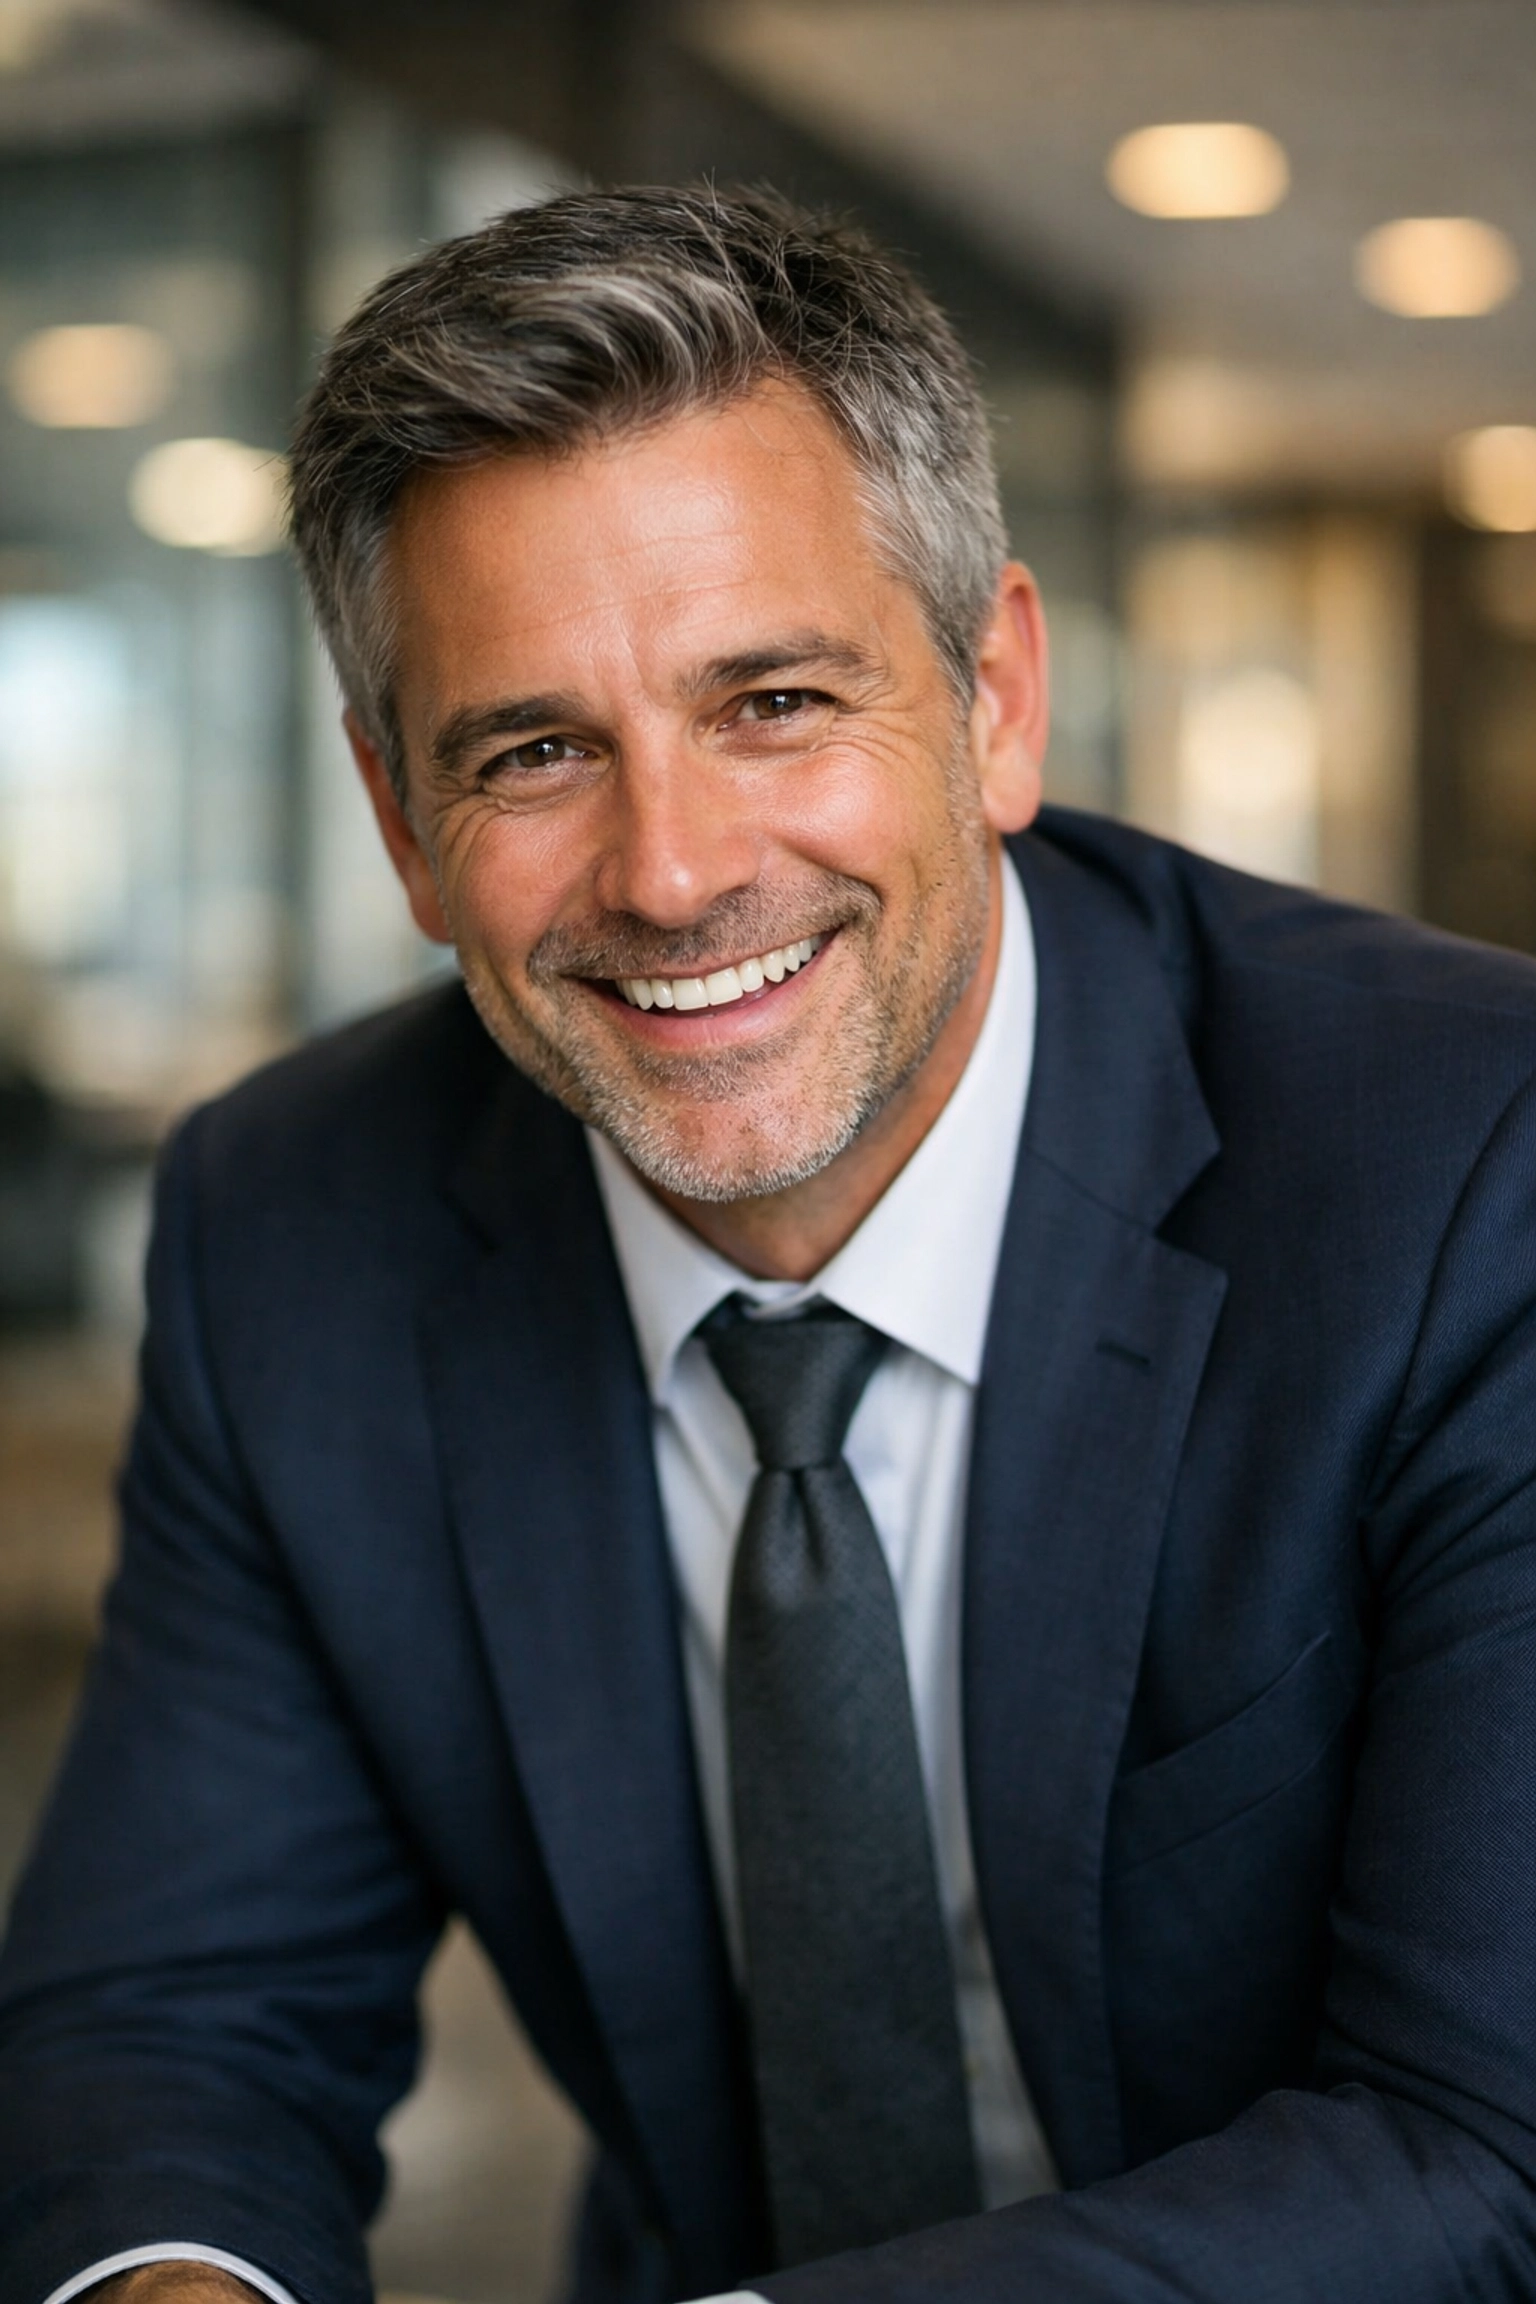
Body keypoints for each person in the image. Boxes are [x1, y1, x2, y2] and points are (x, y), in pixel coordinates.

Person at [1, 185, 1534, 2304]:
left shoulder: (1469, 1167)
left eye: (775, 702)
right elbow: (176, 2021)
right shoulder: (297, 1229)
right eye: (534, 752)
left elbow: (1486, 2156)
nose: (675, 867)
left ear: (993, 696)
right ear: (398, 826)